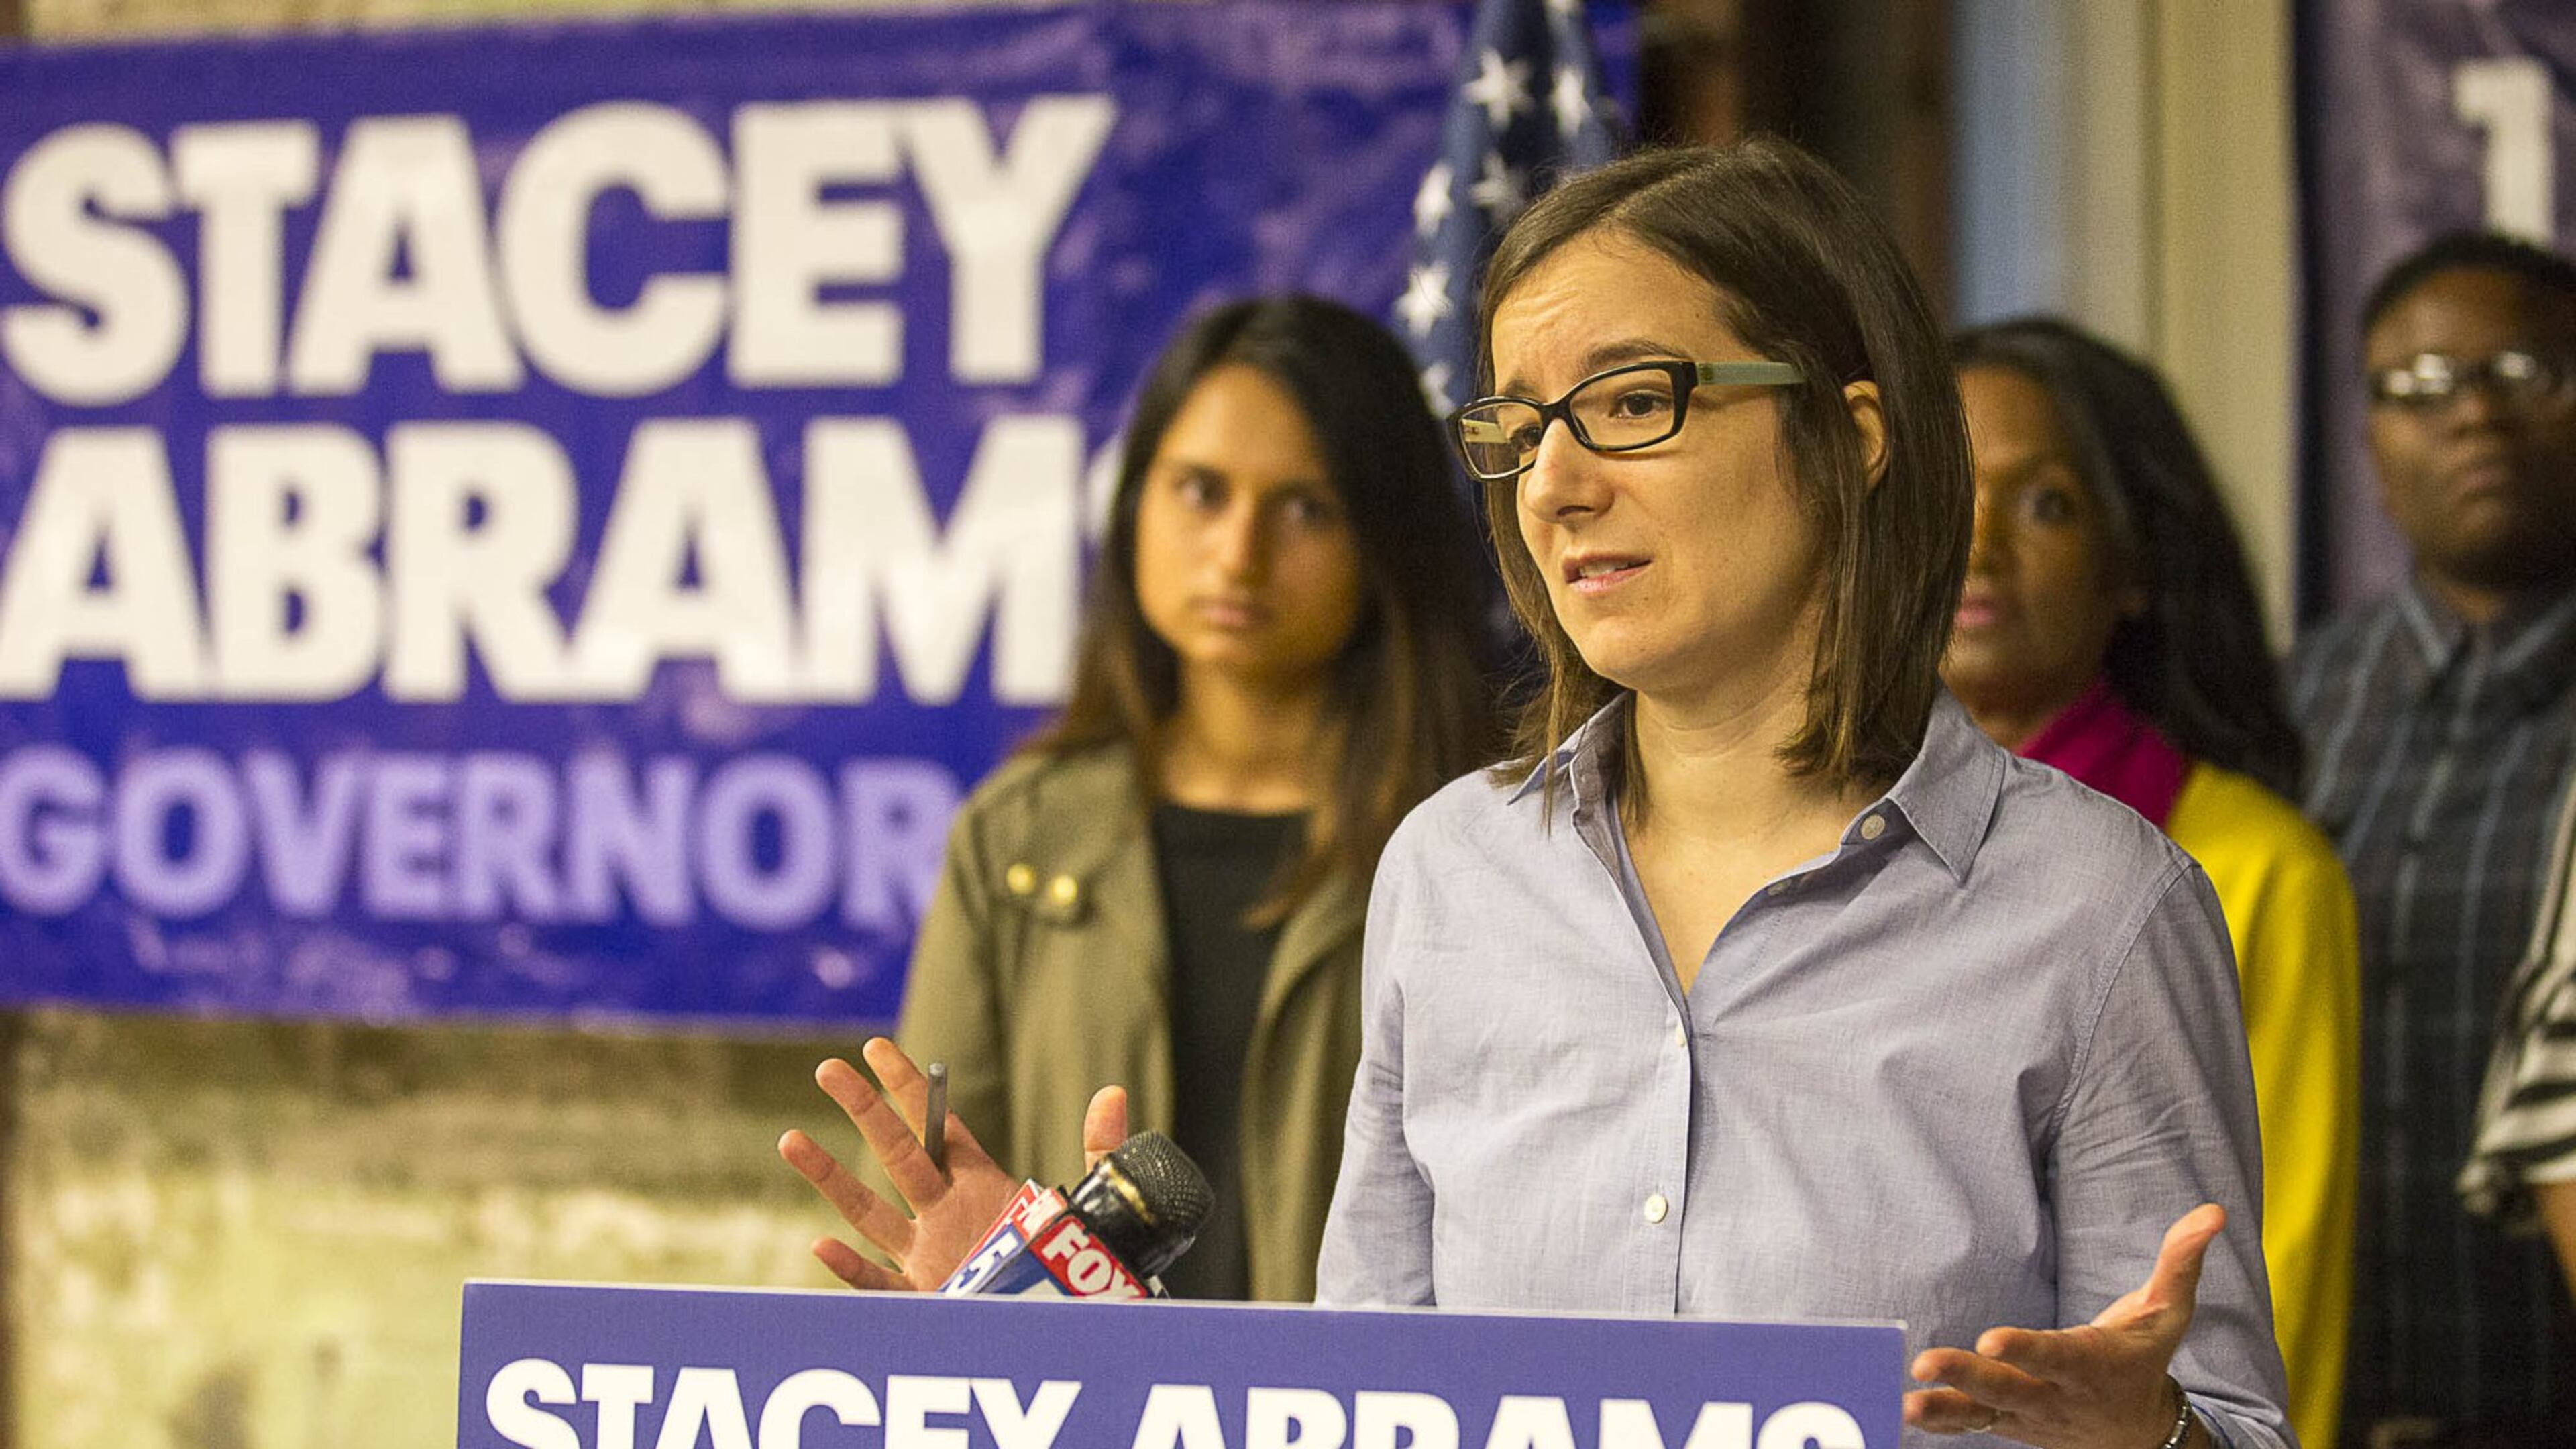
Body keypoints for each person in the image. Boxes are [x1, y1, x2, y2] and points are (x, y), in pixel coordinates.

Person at [791, 140, 2290, 1449]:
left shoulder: (2099, 911)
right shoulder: (1450, 872)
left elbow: (2221, 1428)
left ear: (1852, 437)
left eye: (1632, 403)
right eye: (1519, 431)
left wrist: (2151, 1438)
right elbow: (1358, 1410)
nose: (1557, 485)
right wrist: (1068, 1364)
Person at [778, 295, 1495, 1302]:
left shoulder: (1489, 840)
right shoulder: (1022, 835)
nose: (1238, 552)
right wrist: (950, 1311)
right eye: (1200, 490)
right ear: (1134, 505)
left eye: (1304, 509)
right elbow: (940, 1219)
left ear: (1387, 538)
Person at [1941, 318, 2359, 1448]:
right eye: (1946, 490)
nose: (1976, 546)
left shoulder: (2256, 868)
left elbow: (2277, 1306)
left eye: (2046, 505)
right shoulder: (1815, 843)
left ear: (2132, 567)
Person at [2290, 231, 2576, 1446]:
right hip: (2322, 1398)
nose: (2471, 417)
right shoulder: (2286, 707)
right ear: (2369, 445)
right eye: (2417, 386)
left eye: (2521, 373)